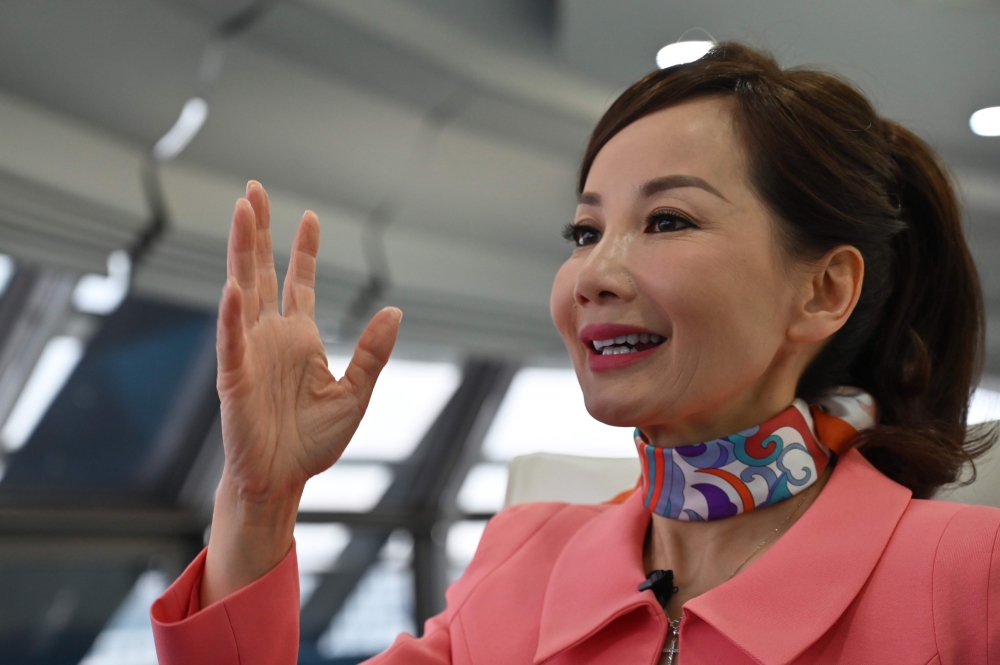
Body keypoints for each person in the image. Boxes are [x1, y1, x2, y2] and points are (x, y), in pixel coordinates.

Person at [150, 42, 1000, 664]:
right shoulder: (523, 559)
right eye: (585, 230)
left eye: (667, 220)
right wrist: (260, 503)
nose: (594, 271)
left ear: (822, 291)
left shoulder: (968, 578)